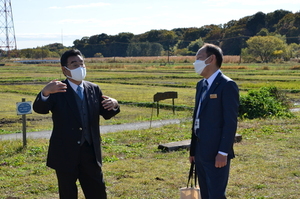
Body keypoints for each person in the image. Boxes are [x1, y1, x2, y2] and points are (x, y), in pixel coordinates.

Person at [33, 49, 120, 199]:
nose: (80, 67)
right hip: (65, 152)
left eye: (82, 63)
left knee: (97, 191)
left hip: (90, 151)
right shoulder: (57, 89)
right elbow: (40, 109)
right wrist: (45, 92)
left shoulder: (93, 89)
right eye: (74, 64)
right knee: (68, 194)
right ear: (64, 69)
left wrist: (115, 104)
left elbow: (106, 113)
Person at [189, 43, 239, 199]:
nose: (195, 63)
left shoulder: (227, 85)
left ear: (211, 59)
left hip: (217, 152)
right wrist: (193, 150)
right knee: (205, 193)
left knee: (216, 194)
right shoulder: (201, 85)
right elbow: (197, 118)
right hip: (200, 151)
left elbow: (230, 123)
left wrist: (223, 152)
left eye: (199, 58)